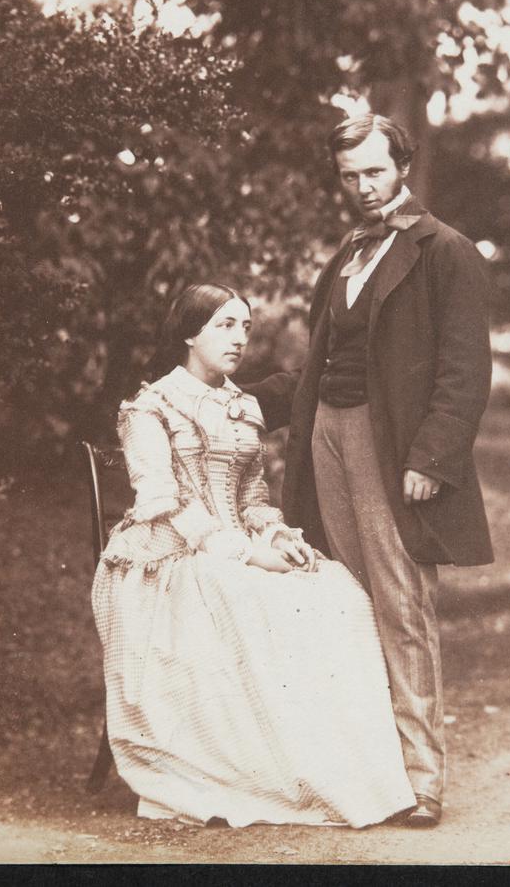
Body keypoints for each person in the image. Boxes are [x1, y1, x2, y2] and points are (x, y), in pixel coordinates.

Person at [245, 113, 494, 828]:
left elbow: (465, 369)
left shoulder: (445, 250)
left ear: (402, 167)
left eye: (375, 172)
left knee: (402, 603)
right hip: (328, 432)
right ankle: (372, 775)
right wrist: (232, 398)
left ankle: (422, 780)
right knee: (348, 602)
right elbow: (320, 363)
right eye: (349, 175)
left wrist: (433, 457)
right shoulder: (349, 253)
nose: (362, 187)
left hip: (392, 446)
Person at [91, 283, 416, 828]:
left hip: (234, 548)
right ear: (189, 333)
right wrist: (245, 554)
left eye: (245, 326)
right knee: (241, 594)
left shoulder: (242, 405)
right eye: (224, 325)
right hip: (168, 556)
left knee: (338, 591)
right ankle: (261, 770)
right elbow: (162, 503)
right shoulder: (150, 406)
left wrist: (277, 535)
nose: (239, 338)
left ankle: (331, 770)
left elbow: (251, 497)